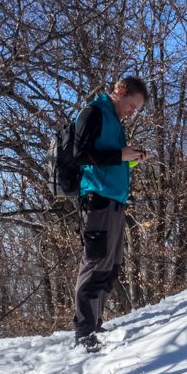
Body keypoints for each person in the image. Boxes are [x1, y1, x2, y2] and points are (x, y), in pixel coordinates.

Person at [71, 76, 150, 351]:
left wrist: (130, 159)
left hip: (115, 201)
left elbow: (111, 161)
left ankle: (94, 320)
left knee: (112, 265)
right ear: (120, 92)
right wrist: (120, 156)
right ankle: (83, 330)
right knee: (95, 264)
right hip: (96, 200)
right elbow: (79, 154)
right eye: (132, 105)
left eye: (136, 109)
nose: (133, 112)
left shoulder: (115, 123)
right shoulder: (93, 113)